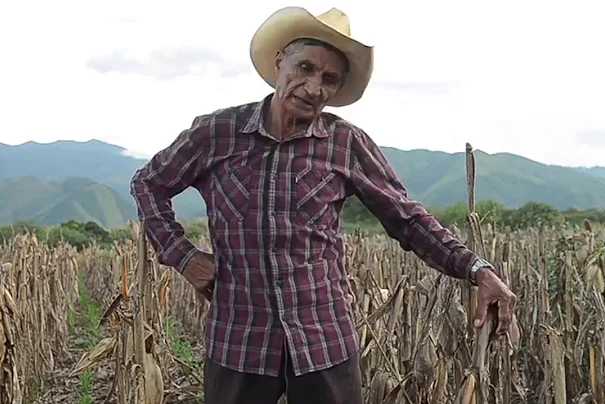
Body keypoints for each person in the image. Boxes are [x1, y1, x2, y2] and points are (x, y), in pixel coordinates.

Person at [130, 6, 517, 404]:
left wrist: (476, 268)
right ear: (281, 60)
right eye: (305, 68)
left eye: (329, 79)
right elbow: (148, 183)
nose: (314, 87)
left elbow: (407, 219)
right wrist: (182, 256)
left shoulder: (345, 143)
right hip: (239, 339)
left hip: (323, 340)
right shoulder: (217, 132)